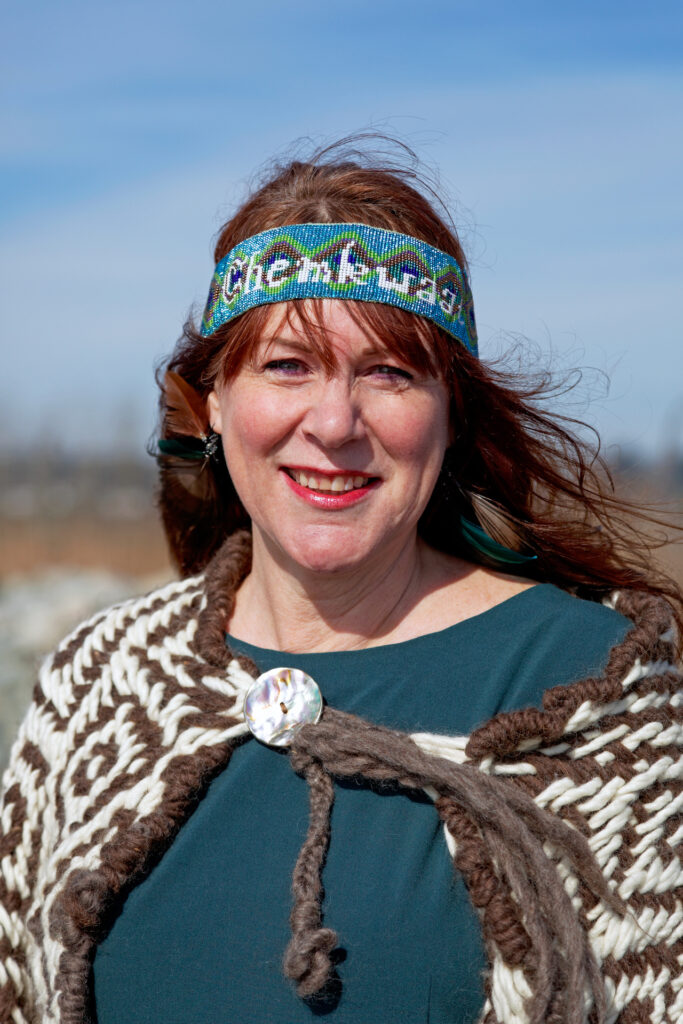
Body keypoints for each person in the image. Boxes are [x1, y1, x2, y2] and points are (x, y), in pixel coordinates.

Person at [1, 141, 681, 1024]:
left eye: (388, 373)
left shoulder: (602, 698)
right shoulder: (101, 681)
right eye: (288, 365)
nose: (333, 423)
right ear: (212, 399)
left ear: (450, 411)